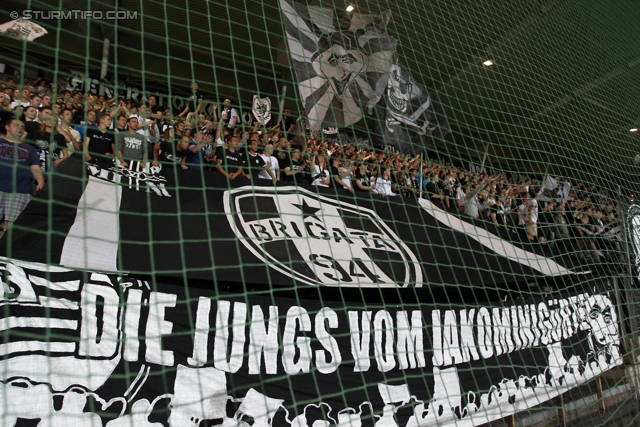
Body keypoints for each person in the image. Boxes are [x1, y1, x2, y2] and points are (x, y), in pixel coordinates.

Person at [0, 120, 44, 229]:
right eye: (16, 125)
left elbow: (35, 167)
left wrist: (41, 182)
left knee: (12, 226)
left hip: (21, 190)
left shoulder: (29, 149)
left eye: (22, 127)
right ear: (7, 127)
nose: (20, 128)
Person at [25, 106, 69, 173]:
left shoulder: (60, 137)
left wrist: (60, 161)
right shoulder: (35, 133)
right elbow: (27, 148)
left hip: (52, 165)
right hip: (36, 163)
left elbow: (66, 154)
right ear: (44, 121)